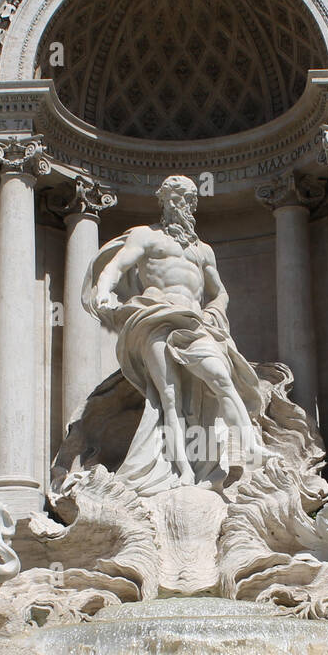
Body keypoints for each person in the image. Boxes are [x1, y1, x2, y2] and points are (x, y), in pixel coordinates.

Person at [83, 175, 272, 493]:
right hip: (154, 319)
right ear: (164, 202)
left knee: (221, 378)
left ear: (192, 205)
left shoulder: (203, 251)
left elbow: (219, 293)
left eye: (185, 200)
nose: (179, 205)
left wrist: (214, 314)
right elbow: (116, 267)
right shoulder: (146, 237)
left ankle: (251, 446)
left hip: (196, 324)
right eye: (173, 199)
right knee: (169, 398)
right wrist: (103, 292)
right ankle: (183, 470)